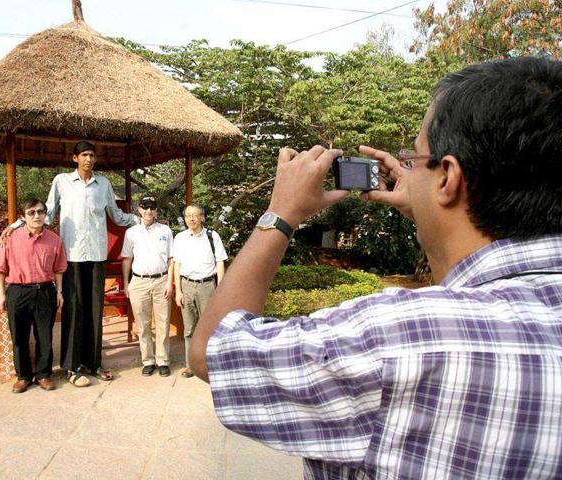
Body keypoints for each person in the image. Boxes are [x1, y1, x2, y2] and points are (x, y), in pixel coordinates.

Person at [189, 57, 562, 479]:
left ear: (448, 178)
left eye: (415, 158)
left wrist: (281, 212)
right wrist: (432, 208)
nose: (407, 170)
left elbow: (211, 352)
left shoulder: (394, 338)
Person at [2, 140, 139, 387]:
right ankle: (73, 367)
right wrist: (16, 225)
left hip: (96, 256)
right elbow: (48, 213)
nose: (89, 159)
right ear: (75, 158)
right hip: (72, 257)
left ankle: (95, 363)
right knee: (74, 311)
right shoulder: (61, 181)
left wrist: (140, 220)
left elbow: (116, 216)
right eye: (84, 155)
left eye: (92, 155)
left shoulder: (104, 184)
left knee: (95, 311)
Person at [0, 198, 67, 393]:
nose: (37, 216)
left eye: (41, 212)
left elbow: (59, 268)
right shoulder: (10, 238)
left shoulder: (54, 240)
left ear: (45, 214)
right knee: (19, 336)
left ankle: (44, 375)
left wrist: (59, 292)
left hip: (45, 291)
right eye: (31, 212)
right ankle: (23, 376)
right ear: (22, 217)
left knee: (44, 336)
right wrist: (1, 294)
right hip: (18, 292)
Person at [172, 204, 227, 378]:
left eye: (195, 215)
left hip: (207, 287)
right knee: (189, 330)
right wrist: (178, 291)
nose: (191, 219)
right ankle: (191, 365)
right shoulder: (180, 238)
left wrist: (221, 288)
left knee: (209, 327)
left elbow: (220, 262)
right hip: (187, 286)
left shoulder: (212, 236)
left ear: (202, 217)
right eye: (188, 215)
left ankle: (210, 364)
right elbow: (176, 265)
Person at [122, 196, 175, 377]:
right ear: (139, 210)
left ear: (156, 211)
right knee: (142, 324)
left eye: (152, 208)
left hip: (161, 280)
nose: (149, 211)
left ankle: (163, 360)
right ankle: (148, 360)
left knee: (163, 322)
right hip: (138, 282)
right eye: (145, 207)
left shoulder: (166, 230)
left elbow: (171, 258)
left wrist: (170, 281)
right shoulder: (131, 233)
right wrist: (126, 283)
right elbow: (127, 259)